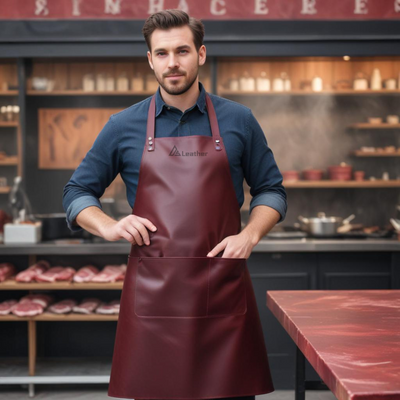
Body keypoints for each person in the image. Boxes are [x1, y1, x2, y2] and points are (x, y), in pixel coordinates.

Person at [63, 9, 287, 400]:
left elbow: (271, 189)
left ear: (200, 54)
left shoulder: (239, 120)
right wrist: (109, 226)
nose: (173, 63)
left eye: (182, 51)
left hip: (222, 291)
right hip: (154, 302)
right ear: (150, 59)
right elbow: (77, 191)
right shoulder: (123, 125)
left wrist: (250, 234)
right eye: (162, 54)